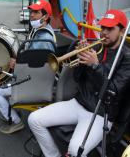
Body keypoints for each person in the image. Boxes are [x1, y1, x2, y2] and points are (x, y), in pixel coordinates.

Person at [28, 9, 130, 157]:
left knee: (76, 150)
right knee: (34, 119)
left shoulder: (127, 58)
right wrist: (81, 60)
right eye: (103, 28)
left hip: (101, 114)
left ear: (121, 31)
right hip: (79, 102)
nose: (104, 33)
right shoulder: (96, 47)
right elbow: (77, 78)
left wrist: (95, 66)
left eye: (110, 29)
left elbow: (112, 91)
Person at [0, 0, 56, 134]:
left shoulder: (43, 40)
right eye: (31, 11)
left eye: (36, 12)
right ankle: (11, 111)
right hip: (33, 79)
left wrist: (17, 64)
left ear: (45, 17)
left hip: (33, 84)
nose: (31, 15)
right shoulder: (41, 30)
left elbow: (35, 68)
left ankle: (16, 121)